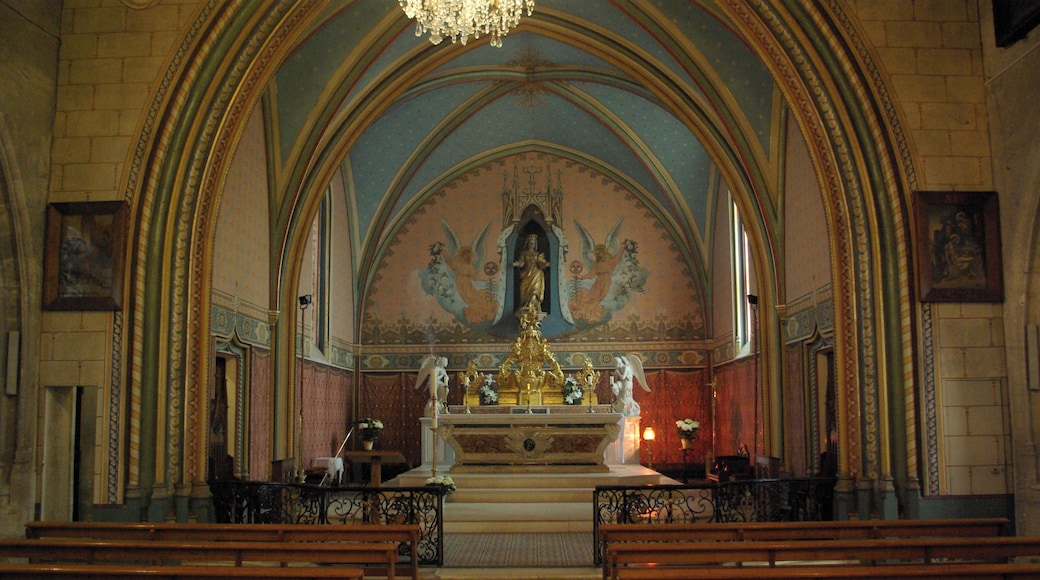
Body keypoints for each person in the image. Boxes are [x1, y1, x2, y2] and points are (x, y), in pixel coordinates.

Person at [513, 234, 549, 310]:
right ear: (527, 243)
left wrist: (545, 264)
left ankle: (535, 307)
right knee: (523, 290)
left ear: (535, 244)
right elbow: (521, 263)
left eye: (533, 243)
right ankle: (524, 305)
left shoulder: (538, 254)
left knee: (534, 292)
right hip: (526, 274)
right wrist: (517, 263)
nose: (531, 244)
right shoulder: (524, 254)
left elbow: (541, 262)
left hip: (536, 274)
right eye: (530, 242)